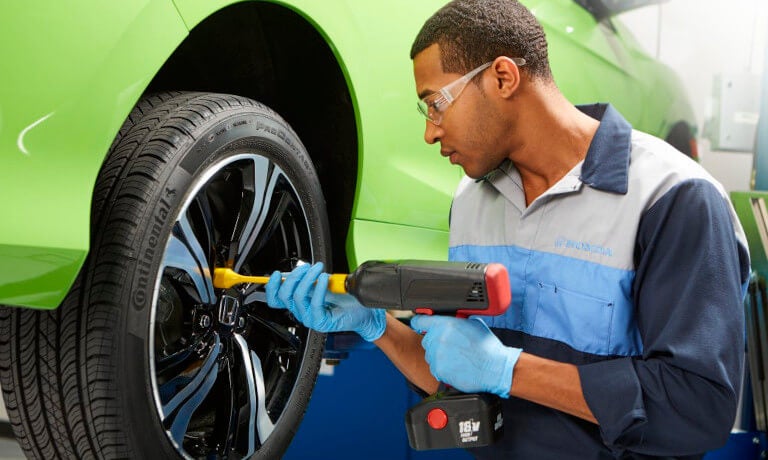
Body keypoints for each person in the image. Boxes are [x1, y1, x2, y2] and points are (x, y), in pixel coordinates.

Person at [266, 0, 751, 458]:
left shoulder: (672, 197)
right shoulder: (472, 201)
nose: (430, 132)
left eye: (435, 103)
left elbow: (698, 407)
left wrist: (509, 369)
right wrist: (377, 327)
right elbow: (459, 377)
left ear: (503, 76)